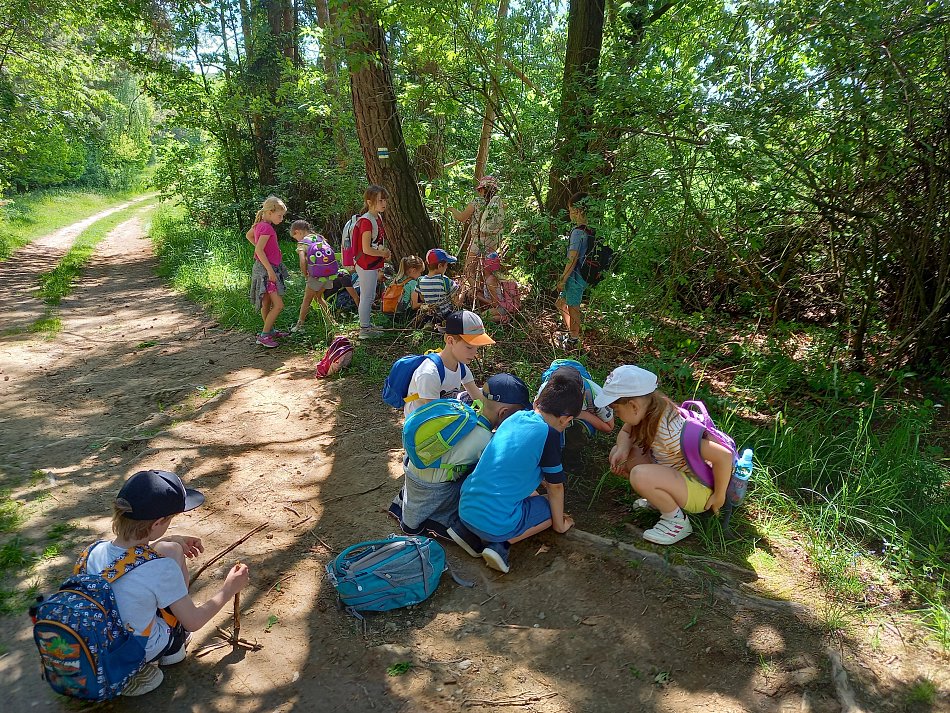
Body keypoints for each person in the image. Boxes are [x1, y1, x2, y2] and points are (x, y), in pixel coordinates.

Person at [82, 469, 250, 696]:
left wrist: (171, 540)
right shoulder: (161, 569)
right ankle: (170, 648)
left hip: (95, 642)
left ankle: (119, 664)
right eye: (170, 520)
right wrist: (229, 588)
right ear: (158, 523)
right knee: (177, 602)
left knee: (170, 550)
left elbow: (129, 565)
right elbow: (194, 621)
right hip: (136, 648)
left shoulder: (92, 551)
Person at [449, 367, 584, 574]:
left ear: (537, 402)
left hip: (465, 507)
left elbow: (510, 468)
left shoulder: (515, 418)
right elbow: (555, 487)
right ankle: (500, 544)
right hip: (496, 523)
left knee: (519, 497)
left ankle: (466, 533)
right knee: (549, 505)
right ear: (566, 419)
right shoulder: (550, 435)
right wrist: (560, 525)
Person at [597, 365, 734, 545]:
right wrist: (622, 449)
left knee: (639, 475)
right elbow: (625, 432)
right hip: (677, 476)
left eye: (617, 410)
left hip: (700, 490)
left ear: (633, 406)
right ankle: (661, 500)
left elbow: (724, 456)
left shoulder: (670, 432)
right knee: (623, 453)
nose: (617, 415)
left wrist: (719, 496)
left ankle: (676, 522)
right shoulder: (650, 409)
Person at [388, 373, 532, 538]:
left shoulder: (461, 409)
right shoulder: (486, 441)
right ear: (503, 413)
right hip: (433, 492)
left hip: (414, 476)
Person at [404, 310, 492, 418]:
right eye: (469, 347)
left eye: (476, 348)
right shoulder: (430, 373)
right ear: (450, 340)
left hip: (444, 412)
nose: (474, 354)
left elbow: (478, 398)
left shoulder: (461, 367)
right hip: (422, 423)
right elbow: (434, 416)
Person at [536, 359, 615, 472]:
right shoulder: (545, 391)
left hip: (581, 419)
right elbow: (537, 414)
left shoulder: (596, 395)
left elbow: (609, 427)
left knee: (576, 430)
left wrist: (583, 415)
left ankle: (571, 457)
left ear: (582, 396)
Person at [246, 196, 289, 348]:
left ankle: (269, 330)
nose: (282, 219)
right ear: (270, 212)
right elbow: (259, 250)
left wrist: (263, 250)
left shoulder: (260, 225)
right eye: (280, 215)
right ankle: (264, 335)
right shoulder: (266, 228)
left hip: (262, 267)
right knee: (278, 305)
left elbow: (249, 235)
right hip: (267, 270)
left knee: (267, 303)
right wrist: (270, 270)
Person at [449, 175, 505, 291]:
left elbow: (462, 218)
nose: (479, 192)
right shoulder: (499, 203)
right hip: (493, 240)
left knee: (469, 270)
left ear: (483, 189)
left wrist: (451, 209)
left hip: (478, 240)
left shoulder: (476, 202)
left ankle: (477, 293)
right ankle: (489, 293)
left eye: (480, 189)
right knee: (488, 270)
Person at [354, 185, 392, 339]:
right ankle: (364, 329)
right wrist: (383, 253)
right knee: (367, 296)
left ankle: (367, 325)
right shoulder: (367, 221)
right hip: (366, 264)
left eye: (385, 200)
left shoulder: (377, 217)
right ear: (369, 202)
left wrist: (383, 253)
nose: (384, 203)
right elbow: (366, 248)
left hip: (372, 263)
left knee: (369, 295)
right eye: (380, 200)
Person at [555, 192, 592, 350]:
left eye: (570, 210)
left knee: (573, 306)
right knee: (561, 303)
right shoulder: (591, 230)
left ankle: (574, 340)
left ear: (578, 211)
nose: (570, 214)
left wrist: (563, 279)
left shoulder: (578, 232)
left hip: (575, 277)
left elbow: (573, 257)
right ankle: (572, 334)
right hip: (580, 275)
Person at [290, 220, 335, 332]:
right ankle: (331, 321)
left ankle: (299, 325)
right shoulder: (320, 238)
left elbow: (302, 259)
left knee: (307, 299)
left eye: (295, 237)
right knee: (318, 297)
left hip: (315, 275)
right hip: (328, 273)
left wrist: (304, 273)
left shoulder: (303, 242)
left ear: (298, 232)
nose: (297, 240)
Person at [411, 248, 459, 323]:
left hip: (430, 318)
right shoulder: (446, 281)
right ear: (440, 266)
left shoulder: (420, 281)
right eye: (446, 265)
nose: (446, 267)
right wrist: (462, 290)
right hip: (446, 317)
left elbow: (423, 299)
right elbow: (457, 303)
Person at [475, 252, 520, 324]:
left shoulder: (490, 281)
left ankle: (506, 318)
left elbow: (495, 304)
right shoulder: (492, 277)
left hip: (502, 307)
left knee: (481, 318)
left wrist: (480, 297)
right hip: (502, 305)